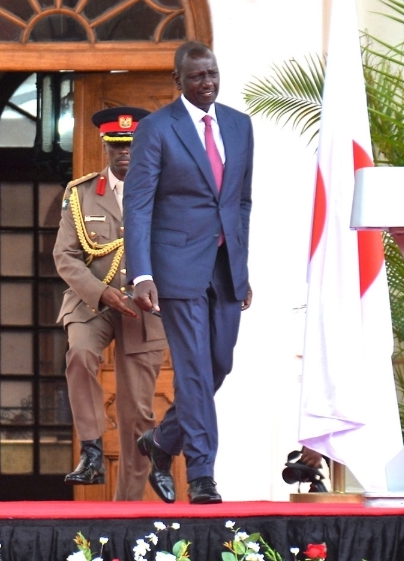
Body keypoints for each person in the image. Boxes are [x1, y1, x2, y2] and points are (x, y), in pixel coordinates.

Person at [125, 41, 254, 505]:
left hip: (224, 269)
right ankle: (201, 473)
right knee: (195, 369)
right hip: (176, 268)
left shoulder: (240, 127)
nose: (208, 83)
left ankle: (161, 442)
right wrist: (142, 274)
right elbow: (137, 205)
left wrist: (241, 264)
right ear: (178, 81)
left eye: (213, 74)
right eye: (198, 77)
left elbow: (240, 201)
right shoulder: (158, 129)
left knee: (219, 363)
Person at [53, 106, 168, 500]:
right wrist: (100, 292)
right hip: (94, 300)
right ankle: (91, 450)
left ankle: (128, 505)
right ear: (105, 147)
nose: (125, 154)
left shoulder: (164, 190)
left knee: (138, 413)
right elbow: (65, 256)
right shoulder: (81, 193)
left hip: (143, 307)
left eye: (132, 146)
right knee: (80, 354)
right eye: (117, 146)